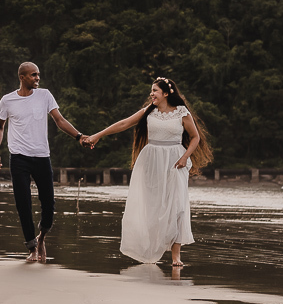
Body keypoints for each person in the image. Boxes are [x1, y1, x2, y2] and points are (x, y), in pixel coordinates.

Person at [83, 77, 213, 266]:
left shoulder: (182, 112)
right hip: (151, 162)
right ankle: (151, 248)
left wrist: (185, 157)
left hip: (175, 162)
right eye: (151, 91)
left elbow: (195, 137)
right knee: (152, 206)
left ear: (166, 93)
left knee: (177, 206)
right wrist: (98, 135)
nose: (151, 94)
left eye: (155, 91)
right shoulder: (148, 112)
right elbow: (123, 124)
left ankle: (176, 255)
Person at [0, 62, 87, 263]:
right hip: (18, 158)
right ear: (22, 77)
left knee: (49, 203)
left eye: (38, 75)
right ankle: (32, 248)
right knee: (23, 203)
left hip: (42, 156)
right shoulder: (7, 101)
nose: (37, 78)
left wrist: (78, 136)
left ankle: (41, 237)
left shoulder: (45, 95)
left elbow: (59, 120)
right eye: (34, 75)